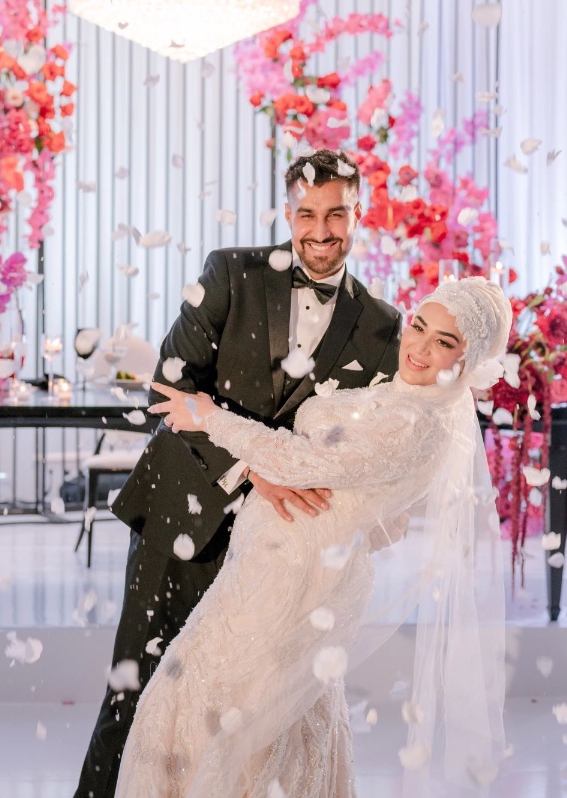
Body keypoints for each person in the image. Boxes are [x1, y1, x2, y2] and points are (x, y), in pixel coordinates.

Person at [73, 149, 403, 798]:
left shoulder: (383, 327)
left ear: (360, 213)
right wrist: (256, 467)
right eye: (307, 213)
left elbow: (371, 443)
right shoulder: (231, 274)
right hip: (184, 513)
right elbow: (169, 388)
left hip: (284, 552)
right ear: (288, 212)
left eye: (338, 213)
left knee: (246, 722)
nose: (321, 230)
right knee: (136, 695)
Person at [117, 276, 512, 797]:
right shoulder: (402, 395)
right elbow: (383, 518)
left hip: (298, 583)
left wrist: (209, 417)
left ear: (467, 361)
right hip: (278, 568)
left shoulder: (420, 424)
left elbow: (301, 463)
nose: (419, 346)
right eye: (419, 325)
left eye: (444, 342)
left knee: (222, 714)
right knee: (255, 719)